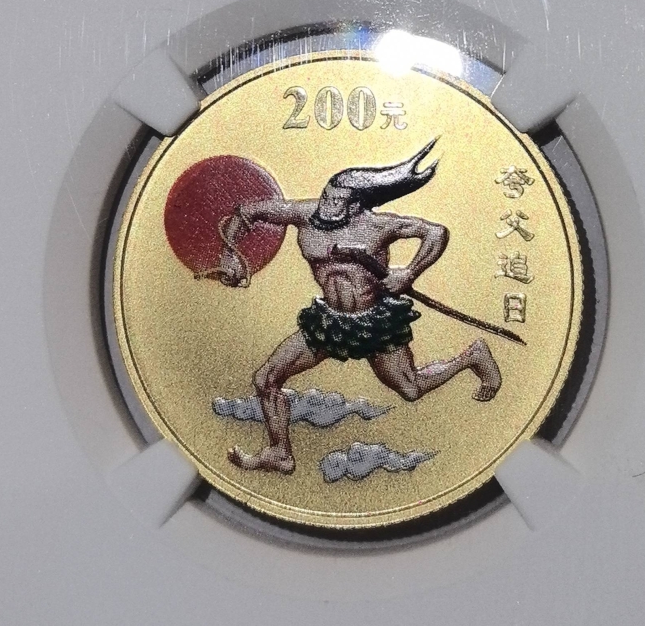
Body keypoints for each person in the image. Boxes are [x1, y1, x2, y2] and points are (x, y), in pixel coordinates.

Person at [206, 141, 501, 474]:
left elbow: (436, 232)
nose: (328, 206)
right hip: (328, 321)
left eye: (337, 201)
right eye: (327, 196)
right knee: (266, 379)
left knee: (411, 389)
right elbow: (247, 212)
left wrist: (409, 272)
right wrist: (229, 255)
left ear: (356, 206)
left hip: (374, 322)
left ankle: (472, 357)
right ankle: (279, 452)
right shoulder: (305, 214)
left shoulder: (378, 226)